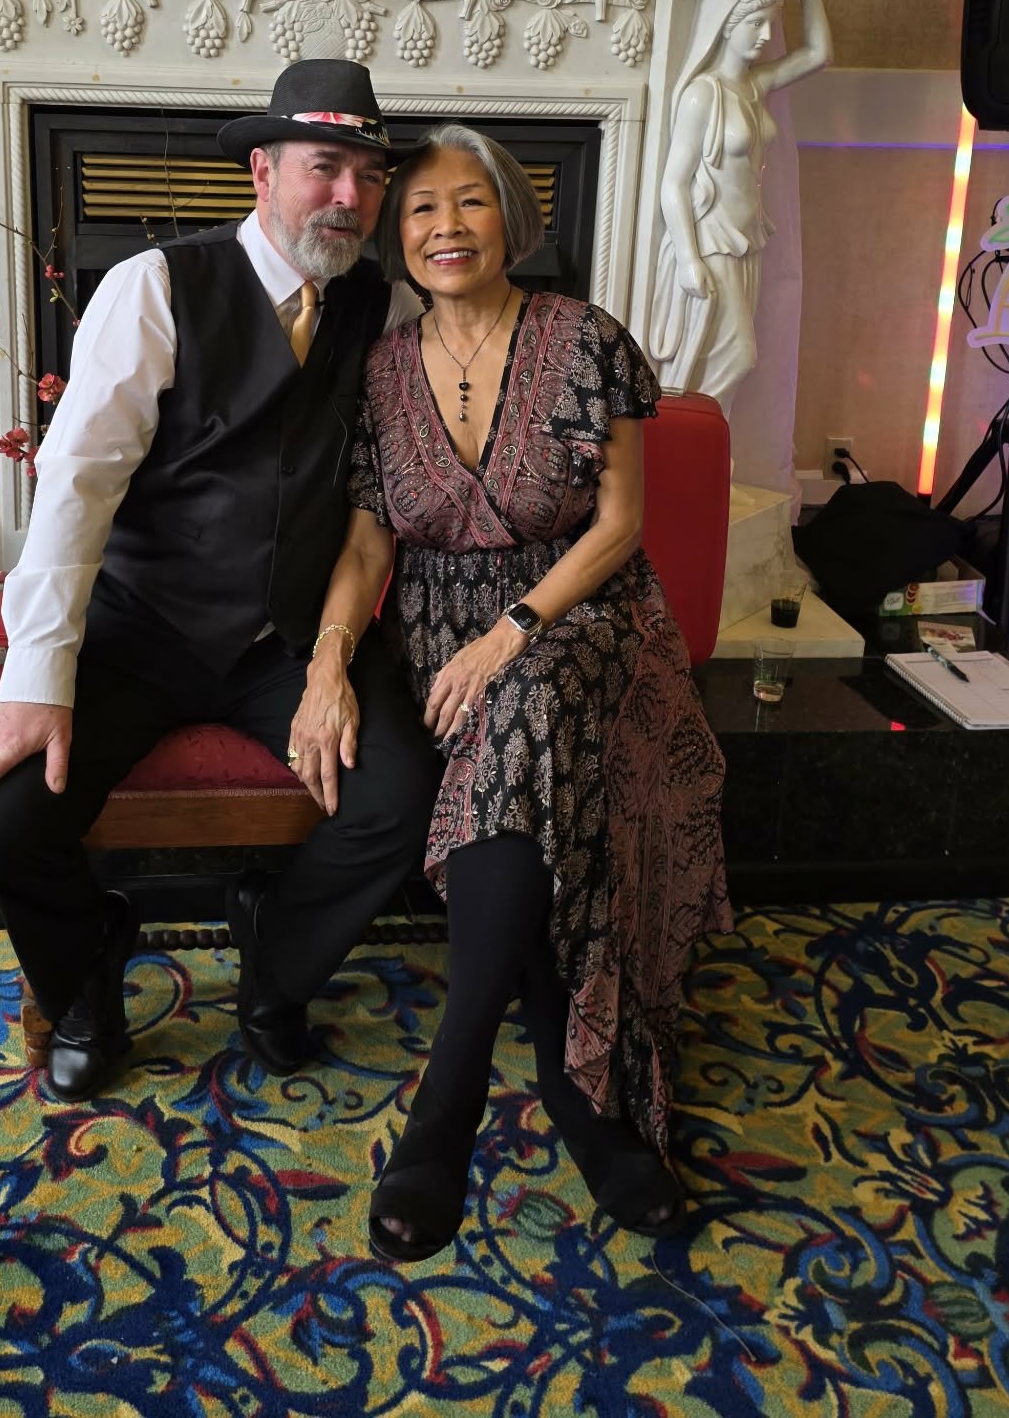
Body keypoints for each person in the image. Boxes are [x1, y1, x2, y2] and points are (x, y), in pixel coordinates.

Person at [0, 59, 442, 1104]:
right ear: (262, 171)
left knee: (398, 803)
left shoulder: (389, 308)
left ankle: (276, 962)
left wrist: (336, 658)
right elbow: (76, 487)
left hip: (290, 638)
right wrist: (36, 677)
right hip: (144, 627)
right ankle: (89, 971)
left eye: (369, 175)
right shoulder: (155, 287)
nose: (350, 196)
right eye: (324, 168)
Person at [293, 125, 731, 1260]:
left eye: (471, 202)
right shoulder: (381, 370)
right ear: (395, 234)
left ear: (513, 219)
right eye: (421, 207)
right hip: (434, 639)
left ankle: (443, 1111)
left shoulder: (585, 339)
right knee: (520, 775)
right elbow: (368, 542)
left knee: (526, 705)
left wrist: (511, 631)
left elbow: (621, 523)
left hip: (580, 619)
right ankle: (581, 1103)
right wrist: (332, 657)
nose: (446, 226)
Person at [648, 0, 832, 408]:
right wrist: (688, 258)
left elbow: (818, 54)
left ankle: (711, 444)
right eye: (756, 24)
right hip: (712, 240)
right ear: (726, 24)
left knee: (725, 360)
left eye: (770, 24)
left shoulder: (754, 85)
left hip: (747, 239)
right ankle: (693, 440)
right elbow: (674, 183)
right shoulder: (701, 95)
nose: (766, 36)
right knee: (736, 357)